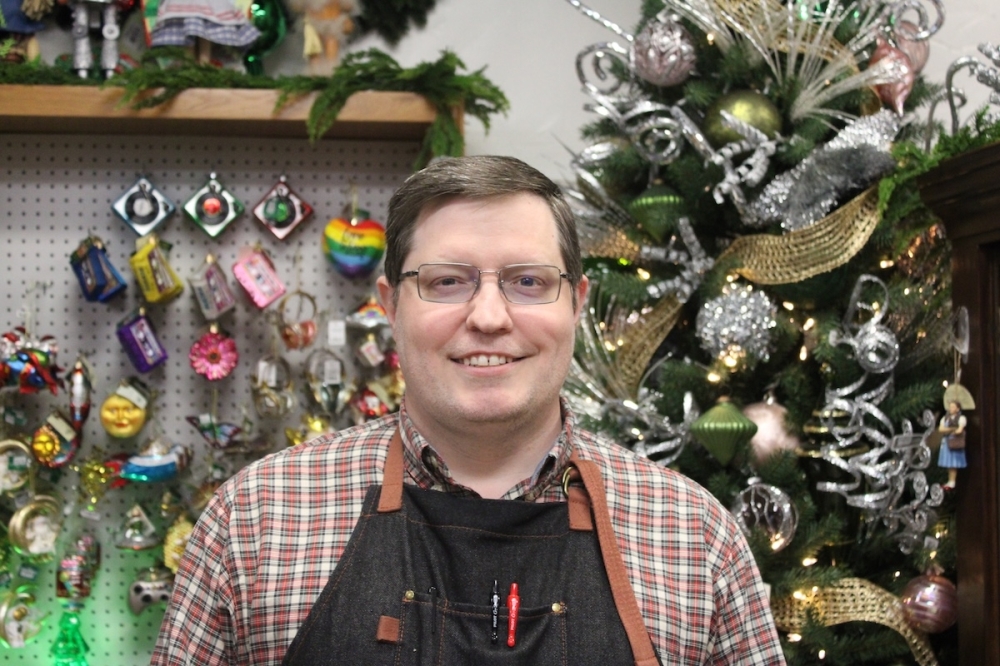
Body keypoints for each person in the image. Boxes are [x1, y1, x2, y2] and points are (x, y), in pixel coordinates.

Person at [151, 155, 785, 665]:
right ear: (390, 306)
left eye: (528, 282)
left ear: (576, 304)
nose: (488, 317)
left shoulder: (693, 536)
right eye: (447, 281)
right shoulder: (256, 521)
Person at [937, 399, 967, 489]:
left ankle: (952, 481)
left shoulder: (961, 418)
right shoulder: (945, 418)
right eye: (950, 407)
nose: (951, 408)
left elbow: (959, 430)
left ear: (958, 409)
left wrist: (951, 431)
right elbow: (941, 429)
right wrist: (951, 429)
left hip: (955, 442)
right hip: (947, 442)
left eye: (953, 407)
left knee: (953, 463)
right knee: (949, 463)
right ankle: (950, 480)